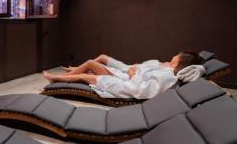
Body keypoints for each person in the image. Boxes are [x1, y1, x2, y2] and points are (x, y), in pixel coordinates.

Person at [42, 52, 204, 99]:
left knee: (86, 77)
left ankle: (56, 78)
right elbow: (144, 79)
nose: (175, 55)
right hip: (125, 77)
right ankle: (64, 75)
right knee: (91, 65)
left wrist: (133, 74)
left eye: (178, 55)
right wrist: (133, 72)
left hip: (125, 86)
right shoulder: (168, 72)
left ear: (182, 60)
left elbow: (141, 90)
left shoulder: (169, 75)